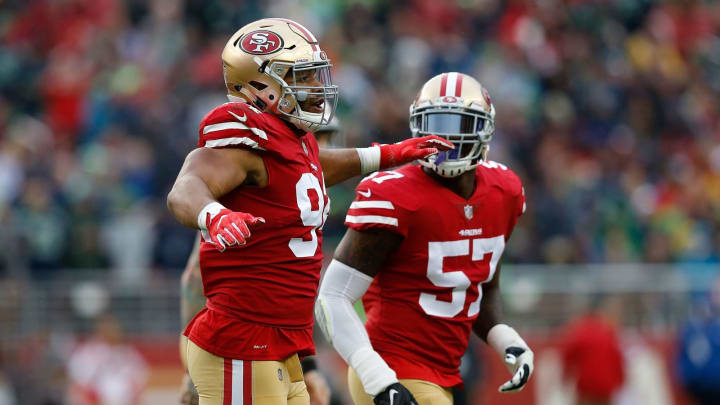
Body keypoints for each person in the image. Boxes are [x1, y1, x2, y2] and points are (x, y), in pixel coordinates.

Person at [166, 18, 452, 405]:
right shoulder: (241, 140)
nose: (317, 87)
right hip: (242, 340)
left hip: (278, 342)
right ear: (259, 86)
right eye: (302, 77)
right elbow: (185, 189)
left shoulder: (290, 143)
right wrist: (213, 215)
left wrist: (386, 154)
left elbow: (313, 169)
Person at [314, 72, 534, 405]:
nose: (445, 137)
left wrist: (508, 340)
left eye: (459, 125)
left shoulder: (504, 192)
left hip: (443, 370)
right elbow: (332, 297)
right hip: (392, 369)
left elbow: (481, 289)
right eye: (435, 124)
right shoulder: (395, 195)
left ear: (484, 129)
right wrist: (376, 376)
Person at [178, 117, 345, 405]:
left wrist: (310, 367)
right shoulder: (252, 191)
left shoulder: (305, 199)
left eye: (327, 140)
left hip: (285, 350)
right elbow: (196, 282)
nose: (324, 149)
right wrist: (191, 370)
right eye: (319, 139)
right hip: (240, 349)